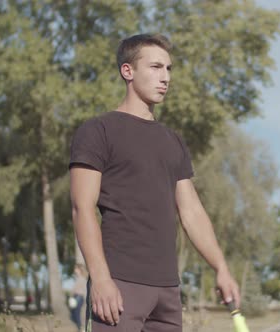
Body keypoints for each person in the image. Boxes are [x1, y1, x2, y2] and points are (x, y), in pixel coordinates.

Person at [69, 33, 240, 332]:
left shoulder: (172, 141)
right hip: (119, 285)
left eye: (169, 69)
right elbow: (82, 209)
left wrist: (221, 267)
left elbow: (192, 213)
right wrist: (101, 278)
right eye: (156, 67)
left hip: (168, 291)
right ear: (128, 71)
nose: (165, 77)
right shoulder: (98, 131)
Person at [69, 264, 88, 331]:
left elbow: (84, 290)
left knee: (77, 313)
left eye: (76, 269)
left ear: (80, 270)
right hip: (75, 298)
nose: (75, 270)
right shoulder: (77, 279)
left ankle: (81, 328)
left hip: (79, 297)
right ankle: (80, 327)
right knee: (73, 314)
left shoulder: (82, 279)